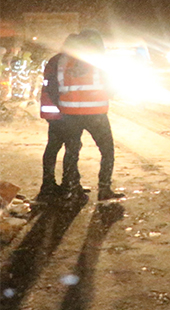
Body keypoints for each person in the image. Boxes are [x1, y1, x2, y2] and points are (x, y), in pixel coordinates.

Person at [57, 29, 124, 201]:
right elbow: (112, 88)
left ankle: (71, 188)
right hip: (95, 114)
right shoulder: (98, 61)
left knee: (71, 151)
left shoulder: (63, 60)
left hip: (70, 113)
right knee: (107, 151)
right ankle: (104, 188)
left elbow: (58, 85)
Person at [36, 34, 83, 200]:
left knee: (54, 146)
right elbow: (56, 87)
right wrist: (64, 109)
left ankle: (49, 184)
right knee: (72, 146)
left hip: (54, 111)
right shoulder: (65, 62)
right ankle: (68, 184)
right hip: (63, 112)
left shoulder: (55, 59)